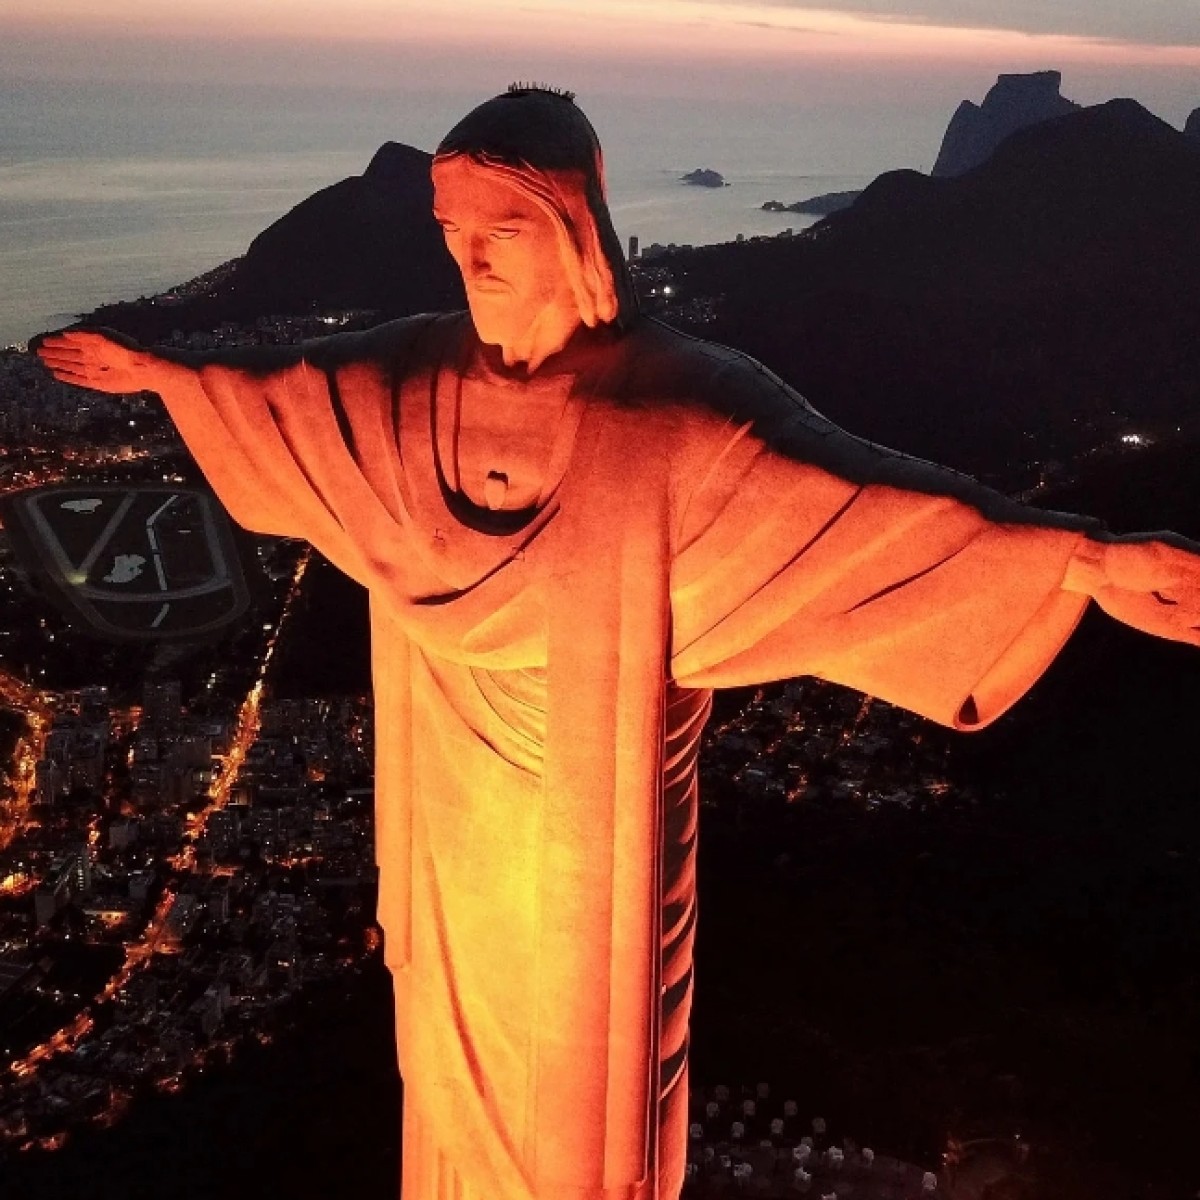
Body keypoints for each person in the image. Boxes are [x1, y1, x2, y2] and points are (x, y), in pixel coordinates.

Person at [35, 85, 1200, 1200]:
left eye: (502, 229)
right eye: (452, 230)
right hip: (453, 834)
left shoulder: (678, 414)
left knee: (577, 1126)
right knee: (441, 1086)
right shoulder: (412, 376)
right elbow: (283, 393)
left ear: (575, 230)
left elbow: (872, 504)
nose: (472, 258)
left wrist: (1083, 560)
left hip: (590, 846)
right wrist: (161, 375)